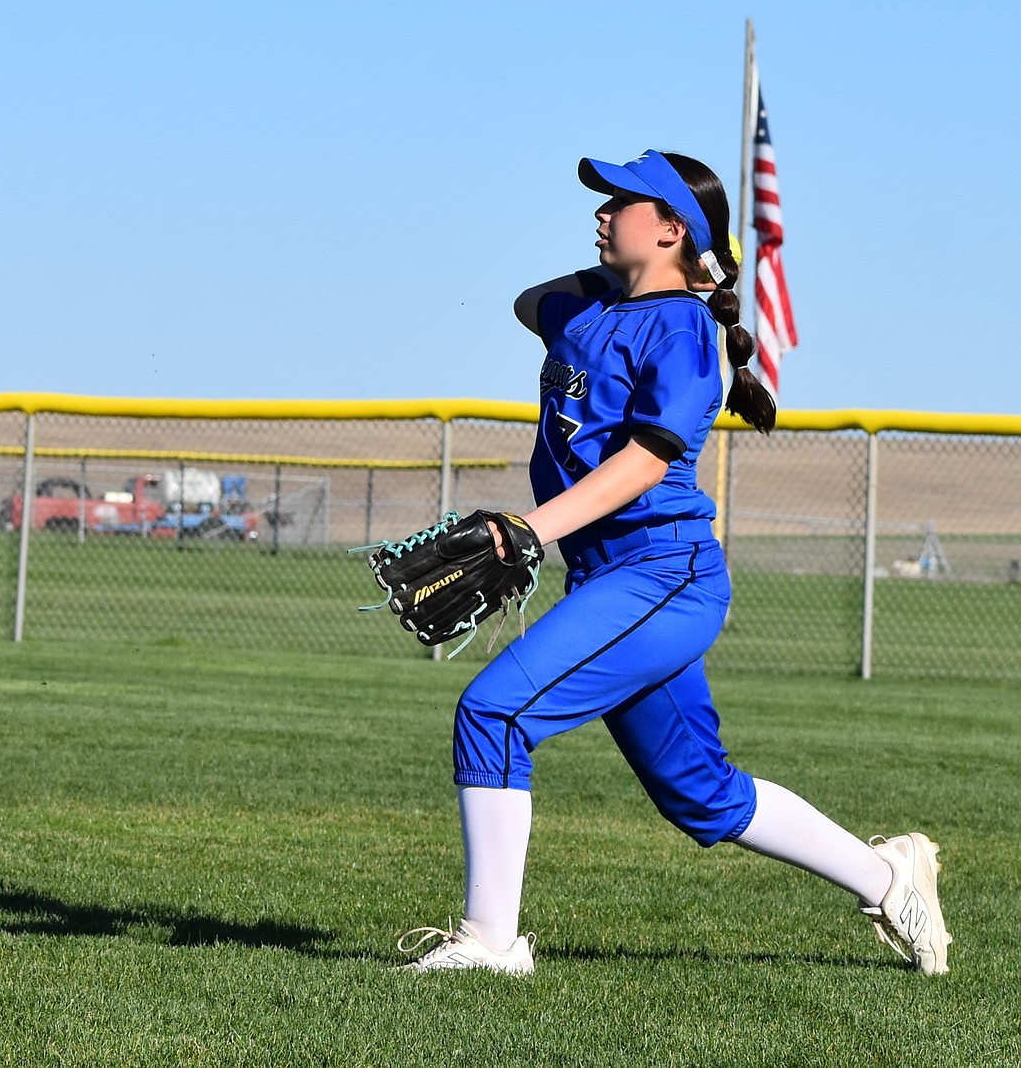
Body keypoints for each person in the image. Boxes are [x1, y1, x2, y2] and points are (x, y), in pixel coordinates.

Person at [397, 149, 951, 976]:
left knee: (496, 712)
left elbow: (647, 463)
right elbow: (527, 303)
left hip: (663, 575)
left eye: (620, 202)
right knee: (700, 794)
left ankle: (491, 942)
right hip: (611, 578)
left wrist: (530, 530)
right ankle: (890, 877)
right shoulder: (588, 315)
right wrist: (655, 264)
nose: (600, 212)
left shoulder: (685, 330)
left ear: (668, 228)